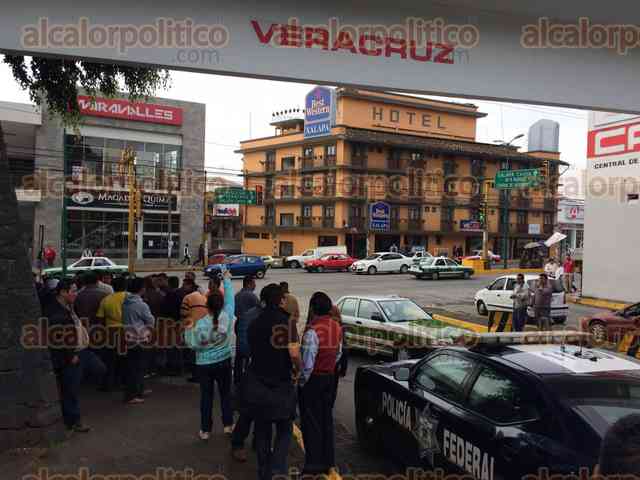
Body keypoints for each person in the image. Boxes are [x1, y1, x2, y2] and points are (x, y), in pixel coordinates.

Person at [246, 284, 301, 480]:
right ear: (281, 301)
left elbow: (250, 350)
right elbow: (294, 354)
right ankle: (277, 469)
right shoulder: (287, 324)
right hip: (281, 383)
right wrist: (298, 369)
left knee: (262, 429)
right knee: (285, 428)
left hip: (258, 382)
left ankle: (264, 471)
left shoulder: (254, 324)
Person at [46, 279, 105, 432]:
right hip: (72, 354)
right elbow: (57, 337)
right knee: (70, 389)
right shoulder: (56, 312)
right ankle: (73, 421)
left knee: (99, 368)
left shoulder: (68, 307)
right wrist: (70, 355)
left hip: (81, 350)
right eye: (72, 291)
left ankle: (72, 417)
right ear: (62, 292)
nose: (76, 294)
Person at [184, 270, 235, 441]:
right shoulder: (228, 316)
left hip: (204, 364)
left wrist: (187, 329)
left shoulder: (200, 324)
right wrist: (226, 279)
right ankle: (228, 425)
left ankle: (205, 430)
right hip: (224, 361)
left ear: (207, 306)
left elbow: (192, 345)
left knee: (206, 397)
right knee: (225, 394)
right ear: (221, 304)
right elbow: (230, 298)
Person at [299, 292, 342, 476]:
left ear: (313, 308)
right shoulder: (336, 327)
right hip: (329, 378)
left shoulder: (313, 331)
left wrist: (302, 383)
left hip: (314, 380)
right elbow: (338, 353)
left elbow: (307, 364)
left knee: (311, 423)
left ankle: (312, 465)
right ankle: (328, 461)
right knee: (326, 421)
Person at [122, 277, 155, 404]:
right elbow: (150, 320)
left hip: (129, 337)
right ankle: (132, 395)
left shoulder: (125, 302)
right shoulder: (141, 305)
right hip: (140, 338)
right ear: (142, 289)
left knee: (133, 366)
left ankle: (139, 390)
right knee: (138, 367)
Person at [95, 276, 128, 391]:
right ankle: (123, 382)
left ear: (112, 286)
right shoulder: (130, 298)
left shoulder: (106, 299)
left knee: (110, 359)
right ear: (125, 286)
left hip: (110, 332)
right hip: (126, 331)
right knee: (125, 358)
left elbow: (100, 319)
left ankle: (108, 384)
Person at [234, 275, 259, 385]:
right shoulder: (252, 296)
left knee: (239, 353)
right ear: (249, 284)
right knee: (251, 351)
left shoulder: (237, 295)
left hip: (239, 324)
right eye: (254, 283)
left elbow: (234, 312)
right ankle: (249, 377)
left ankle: (237, 377)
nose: (255, 285)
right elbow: (259, 310)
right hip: (250, 325)